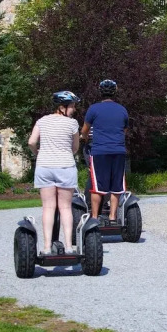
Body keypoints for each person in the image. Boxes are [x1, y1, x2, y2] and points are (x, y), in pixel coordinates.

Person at [28, 91, 80, 255]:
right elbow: (76, 147)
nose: (73, 110)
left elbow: (31, 141)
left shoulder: (42, 121)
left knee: (48, 207)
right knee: (65, 207)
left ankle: (47, 247)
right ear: (61, 107)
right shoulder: (72, 124)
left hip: (45, 167)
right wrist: (66, 153)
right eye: (71, 106)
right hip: (65, 166)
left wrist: (37, 153)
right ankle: (69, 247)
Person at [80, 79, 129, 223]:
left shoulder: (93, 109)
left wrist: (84, 138)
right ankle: (113, 217)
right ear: (115, 92)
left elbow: (84, 131)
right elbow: (124, 131)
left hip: (100, 151)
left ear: (100, 92)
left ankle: (95, 217)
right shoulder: (122, 109)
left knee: (97, 186)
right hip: (118, 150)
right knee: (116, 186)